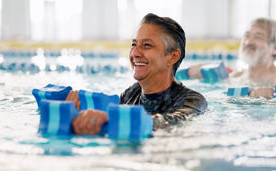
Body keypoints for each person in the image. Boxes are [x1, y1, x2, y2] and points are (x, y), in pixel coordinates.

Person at [66, 13, 207, 135]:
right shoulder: (131, 94)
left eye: (147, 45)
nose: (135, 53)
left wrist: (110, 118)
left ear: (173, 56)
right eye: (134, 44)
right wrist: (79, 111)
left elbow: (171, 123)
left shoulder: (193, 100)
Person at [187, 18, 276, 98]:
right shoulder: (234, 76)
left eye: (258, 37)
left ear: (274, 49)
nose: (248, 42)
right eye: (247, 36)